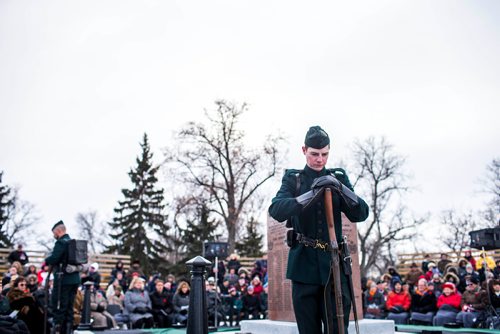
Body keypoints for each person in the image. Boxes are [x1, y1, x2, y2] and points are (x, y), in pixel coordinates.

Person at [268, 125, 369, 334]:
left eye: (324, 154)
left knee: (338, 329)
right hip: (304, 266)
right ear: (304, 150)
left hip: (335, 267)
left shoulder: (338, 177)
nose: (320, 160)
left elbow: (361, 213)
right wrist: (310, 195)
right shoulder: (294, 179)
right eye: (314, 154)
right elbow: (276, 209)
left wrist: (340, 188)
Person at [45, 220, 81, 334]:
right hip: (74, 279)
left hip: (63, 280)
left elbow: (54, 258)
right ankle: (69, 330)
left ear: (58, 231)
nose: (54, 236)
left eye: (54, 233)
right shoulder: (73, 242)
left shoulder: (61, 242)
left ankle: (59, 330)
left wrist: (47, 260)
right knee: (69, 308)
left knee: (60, 307)